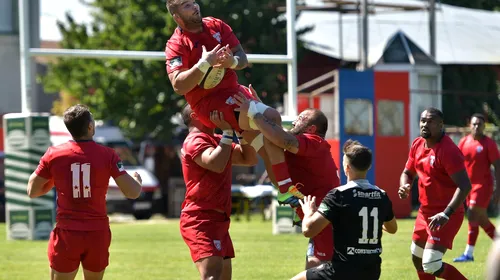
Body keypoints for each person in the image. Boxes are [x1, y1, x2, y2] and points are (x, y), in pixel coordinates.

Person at [164, 0, 304, 208]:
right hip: (210, 104)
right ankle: (305, 160)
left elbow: (242, 58)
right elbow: (178, 85)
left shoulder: (216, 25)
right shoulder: (176, 44)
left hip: (235, 92)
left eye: (193, 1)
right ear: (176, 17)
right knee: (272, 119)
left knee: (267, 149)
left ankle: (290, 199)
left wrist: (231, 63)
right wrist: (205, 64)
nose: (194, 6)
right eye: (186, 5)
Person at [26, 104, 143, 280]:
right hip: (97, 232)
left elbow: (32, 191)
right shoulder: (108, 154)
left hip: (67, 232)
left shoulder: (53, 154)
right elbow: (132, 192)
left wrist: (56, 178)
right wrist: (137, 181)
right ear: (90, 126)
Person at [233, 90, 340, 268]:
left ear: (311, 129)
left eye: (301, 118)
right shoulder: (305, 142)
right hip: (313, 210)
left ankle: (284, 189)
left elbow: (284, 139)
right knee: (268, 135)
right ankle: (285, 189)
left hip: (324, 216)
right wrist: (261, 110)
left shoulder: (315, 142)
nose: (296, 120)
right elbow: (277, 134)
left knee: (319, 269)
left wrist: (254, 112)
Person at [290, 140, 397, 280]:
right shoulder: (382, 195)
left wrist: (308, 212)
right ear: (369, 166)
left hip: (341, 271)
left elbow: (308, 230)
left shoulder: (338, 195)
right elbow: (392, 228)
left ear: (346, 168)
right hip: (372, 272)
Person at [179, 104, 258, 280]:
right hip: (200, 218)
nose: (216, 110)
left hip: (219, 220)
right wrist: (228, 134)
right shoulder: (195, 139)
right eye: (206, 108)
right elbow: (216, 164)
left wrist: (239, 131)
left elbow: (249, 159)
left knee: (223, 277)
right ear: (195, 115)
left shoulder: (218, 138)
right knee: (212, 276)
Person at [398, 108, 472, 280]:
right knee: (417, 257)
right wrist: (405, 186)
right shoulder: (417, 144)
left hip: (446, 214)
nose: (425, 124)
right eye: (423, 120)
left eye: (430, 121)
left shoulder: (448, 150)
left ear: (440, 125)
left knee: (431, 264)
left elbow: (465, 185)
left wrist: (446, 214)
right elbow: (407, 173)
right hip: (425, 213)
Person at [453, 113, 500, 262]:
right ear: (469, 125)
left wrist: (498, 189)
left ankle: (469, 253)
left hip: (483, 186)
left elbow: (498, 167)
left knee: (473, 213)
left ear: (484, 126)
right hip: (467, 187)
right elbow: (456, 163)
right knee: (482, 220)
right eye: (474, 124)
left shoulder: (489, 144)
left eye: (479, 124)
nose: (476, 127)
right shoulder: (464, 142)